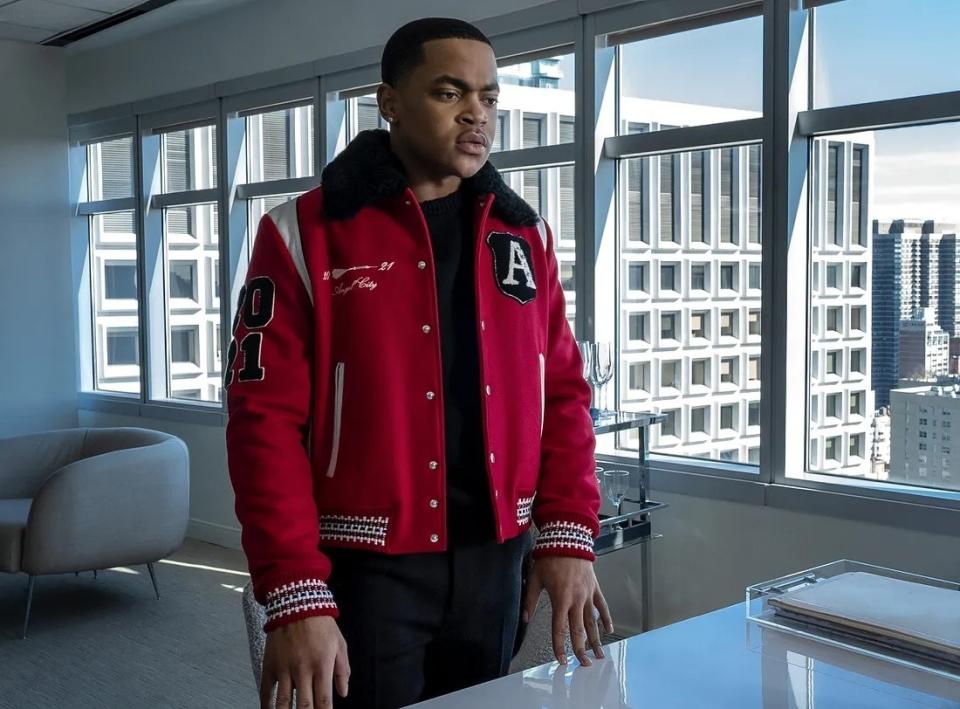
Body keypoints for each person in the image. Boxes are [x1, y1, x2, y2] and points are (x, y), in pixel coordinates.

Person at [225, 17, 610, 709]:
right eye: (449, 91)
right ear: (391, 101)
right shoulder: (301, 231)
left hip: (497, 561)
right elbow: (262, 420)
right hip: (366, 568)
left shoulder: (525, 235)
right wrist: (293, 590)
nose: (477, 113)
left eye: (489, 97)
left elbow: (563, 394)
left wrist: (567, 533)